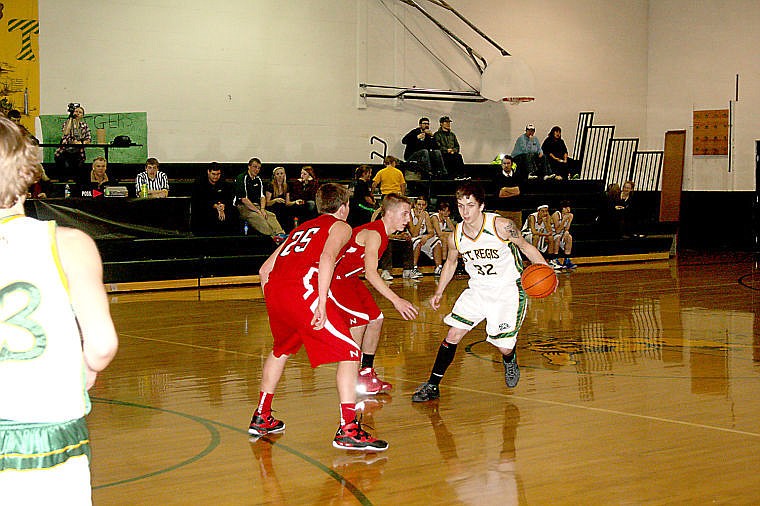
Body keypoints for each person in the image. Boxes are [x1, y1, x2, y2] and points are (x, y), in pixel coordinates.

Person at [0, 116, 119, 504]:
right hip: (49, 427)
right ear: (30, 170)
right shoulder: (69, 243)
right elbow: (101, 345)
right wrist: (87, 369)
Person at [248, 183, 388, 451]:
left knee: (281, 350)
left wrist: (277, 302)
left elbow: (264, 271)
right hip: (304, 292)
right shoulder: (341, 226)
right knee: (349, 351)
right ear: (344, 206)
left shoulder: (300, 229)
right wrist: (321, 303)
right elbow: (326, 257)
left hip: (277, 292)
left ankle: (262, 415)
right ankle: (347, 429)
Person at [411, 182, 549, 402]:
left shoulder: (502, 226)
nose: (465, 212)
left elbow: (525, 247)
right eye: (460, 206)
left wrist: (545, 269)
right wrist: (439, 291)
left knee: (503, 347)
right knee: (452, 334)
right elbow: (450, 263)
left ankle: (510, 358)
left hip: (507, 292)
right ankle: (433, 385)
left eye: (470, 205)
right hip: (477, 290)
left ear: (481, 206)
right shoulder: (455, 235)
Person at [331, 193, 419, 395]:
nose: (408, 219)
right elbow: (370, 272)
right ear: (389, 213)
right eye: (405, 214)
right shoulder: (375, 234)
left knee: (376, 319)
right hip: (336, 280)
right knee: (360, 321)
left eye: (409, 214)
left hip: (350, 280)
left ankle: (366, 371)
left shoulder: (383, 234)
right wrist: (396, 300)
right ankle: (350, 378)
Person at [234, 158, 286, 240]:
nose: (257, 170)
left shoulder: (258, 179)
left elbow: (262, 196)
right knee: (260, 219)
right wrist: (258, 211)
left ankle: (281, 234)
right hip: (244, 207)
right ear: (249, 167)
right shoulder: (242, 178)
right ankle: (274, 236)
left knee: (271, 216)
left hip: (257, 206)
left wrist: (262, 209)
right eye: (255, 167)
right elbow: (244, 199)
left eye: (258, 168)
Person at [191, 162, 237, 235]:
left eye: (218, 174)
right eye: (213, 174)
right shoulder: (199, 184)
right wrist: (215, 206)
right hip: (205, 210)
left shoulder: (224, 184)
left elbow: (228, 198)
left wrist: (222, 206)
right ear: (208, 172)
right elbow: (199, 202)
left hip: (222, 209)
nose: (216, 177)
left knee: (234, 213)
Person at [54, 104, 91, 180]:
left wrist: (81, 143)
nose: (77, 113)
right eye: (76, 111)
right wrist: (71, 118)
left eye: (80, 112)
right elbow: (66, 133)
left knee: (78, 171)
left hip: (78, 152)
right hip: (65, 151)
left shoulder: (84, 126)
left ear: (82, 115)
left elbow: (88, 138)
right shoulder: (68, 123)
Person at [409, 196, 442, 277]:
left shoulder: (426, 214)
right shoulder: (409, 214)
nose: (421, 207)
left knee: (437, 241)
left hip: (422, 237)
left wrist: (426, 237)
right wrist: (420, 220)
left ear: (426, 205)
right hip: (409, 238)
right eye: (419, 204)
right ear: (415, 205)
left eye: (423, 205)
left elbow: (431, 232)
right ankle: (413, 268)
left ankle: (438, 267)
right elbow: (414, 233)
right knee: (417, 241)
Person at [491, 154, 525, 229]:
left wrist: (505, 190)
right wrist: (513, 191)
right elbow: (499, 194)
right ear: (501, 165)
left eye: (508, 163)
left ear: (512, 164)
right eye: (504, 163)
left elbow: (519, 192)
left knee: (517, 234)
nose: (506, 165)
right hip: (501, 210)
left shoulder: (518, 177)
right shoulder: (496, 178)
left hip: (516, 211)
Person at [265, 166, 296, 231]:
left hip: (283, 208)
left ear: (284, 175)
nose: (280, 176)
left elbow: (287, 203)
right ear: (274, 176)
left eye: (281, 174)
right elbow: (267, 203)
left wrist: (295, 202)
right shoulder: (270, 185)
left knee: (288, 211)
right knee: (278, 209)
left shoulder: (286, 186)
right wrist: (276, 200)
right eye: (277, 174)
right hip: (272, 207)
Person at [430, 199, 456, 266]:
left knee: (454, 239)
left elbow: (455, 232)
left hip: (438, 237)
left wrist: (447, 220)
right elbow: (439, 233)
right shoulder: (435, 217)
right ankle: (443, 262)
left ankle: (457, 260)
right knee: (444, 239)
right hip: (430, 237)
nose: (446, 213)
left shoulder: (446, 218)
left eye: (448, 211)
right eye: (444, 211)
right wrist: (449, 234)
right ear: (439, 211)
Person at [551, 200, 576, 269]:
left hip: (560, 233)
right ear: (561, 208)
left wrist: (569, 221)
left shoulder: (570, 215)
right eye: (565, 207)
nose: (568, 209)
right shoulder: (556, 215)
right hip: (552, 233)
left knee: (569, 237)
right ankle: (555, 259)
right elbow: (557, 230)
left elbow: (567, 228)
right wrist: (564, 220)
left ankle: (567, 260)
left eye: (569, 207)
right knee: (558, 237)